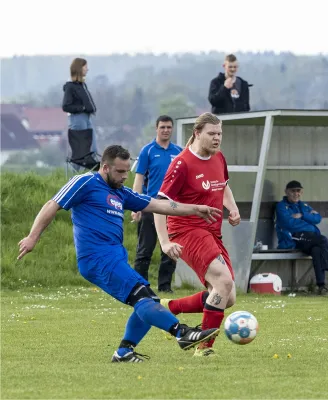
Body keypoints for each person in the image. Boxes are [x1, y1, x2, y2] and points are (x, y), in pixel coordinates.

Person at [17, 145, 221, 362]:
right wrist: (33, 237)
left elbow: (159, 205)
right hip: (97, 259)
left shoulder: (121, 192)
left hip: (114, 258)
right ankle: (182, 333)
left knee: (146, 299)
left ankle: (124, 352)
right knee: (144, 298)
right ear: (105, 167)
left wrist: (194, 208)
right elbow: (52, 204)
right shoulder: (85, 182)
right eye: (120, 172)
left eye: (127, 171)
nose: (125, 176)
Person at [154, 112, 241, 358]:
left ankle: (170, 307)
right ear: (197, 133)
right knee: (223, 282)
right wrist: (164, 241)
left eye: (220, 134)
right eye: (211, 134)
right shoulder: (181, 164)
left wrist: (232, 208)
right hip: (186, 229)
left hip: (212, 232)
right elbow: (159, 205)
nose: (217, 139)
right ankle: (203, 349)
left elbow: (222, 186)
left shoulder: (219, 157)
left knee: (228, 296)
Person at [131, 115, 183, 293]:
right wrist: (135, 204)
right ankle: (140, 286)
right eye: (162, 127)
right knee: (145, 249)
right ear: (156, 129)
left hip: (172, 207)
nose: (166, 130)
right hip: (150, 205)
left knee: (170, 250)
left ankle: (165, 287)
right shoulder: (147, 151)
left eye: (169, 127)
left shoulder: (179, 151)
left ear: (172, 129)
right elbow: (139, 178)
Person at [275, 180, 328, 295]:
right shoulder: (281, 206)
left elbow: (317, 218)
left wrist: (302, 216)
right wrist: (307, 220)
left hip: (310, 237)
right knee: (323, 240)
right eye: (293, 191)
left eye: (298, 191)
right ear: (286, 192)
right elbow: (289, 224)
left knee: (317, 250)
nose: (296, 194)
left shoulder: (303, 205)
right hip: (294, 238)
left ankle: (321, 287)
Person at [62, 57, 99, 154]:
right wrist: (82, 108)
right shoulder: (70, 86)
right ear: (79, 68)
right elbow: (66, 106)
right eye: (85, 67)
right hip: (77, 119)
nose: (87, 69)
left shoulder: (82, 85)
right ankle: (75, 169)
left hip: (87, 118)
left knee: (92, 149)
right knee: (81, 151)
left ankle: (91, 169)